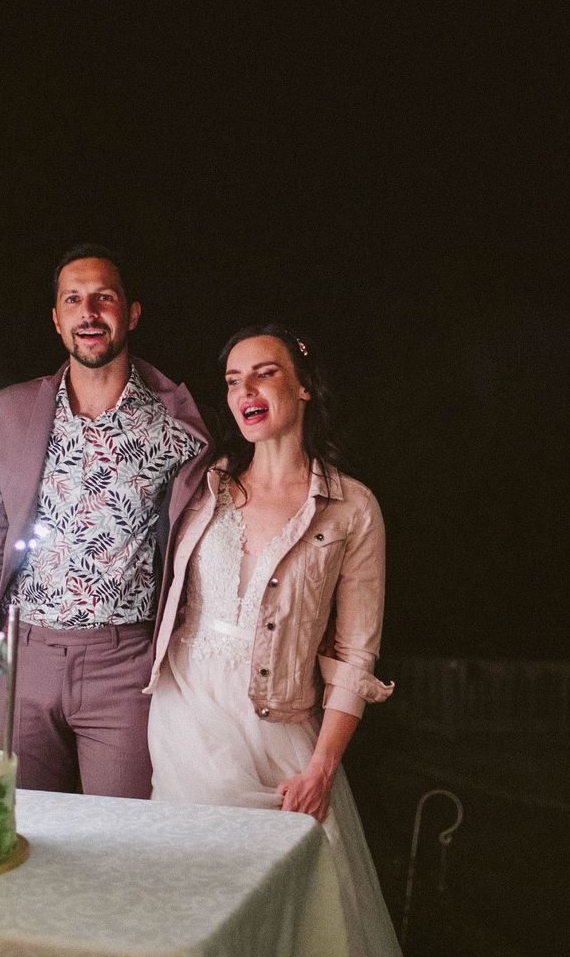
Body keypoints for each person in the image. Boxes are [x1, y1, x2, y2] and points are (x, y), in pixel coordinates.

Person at [145, 324, 401, 957]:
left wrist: (321, 767)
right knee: (192, 899)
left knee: (293, 910)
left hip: (282, 726)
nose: (245, 391)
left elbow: (356, 654)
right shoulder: (204, 485)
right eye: (233, 381)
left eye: (264, 373)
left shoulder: (352, 508)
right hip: (186, 713)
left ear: (304, 387)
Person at [0, 244, 209, 798]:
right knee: (19, 835)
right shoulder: (10, 411)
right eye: (74, 300)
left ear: (131, 313)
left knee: (121, 845)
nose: (89, 312)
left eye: (103, 298)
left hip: (126, 667)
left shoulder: (178, 424)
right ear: (57, 319)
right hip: (24, 658)